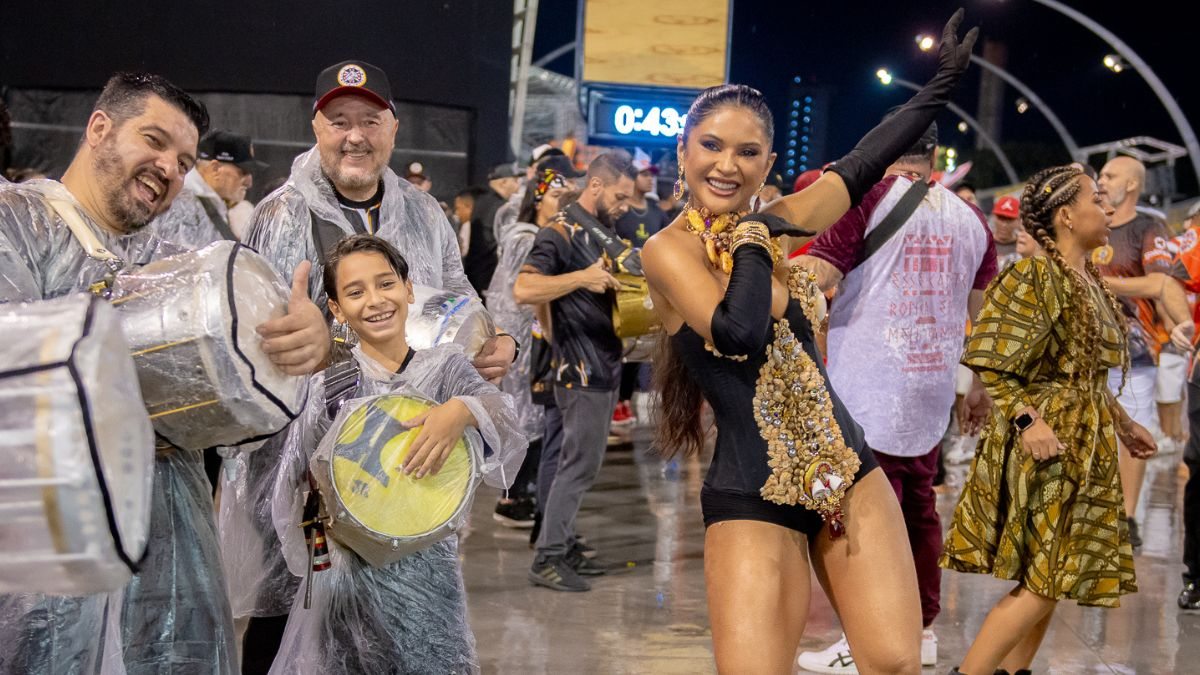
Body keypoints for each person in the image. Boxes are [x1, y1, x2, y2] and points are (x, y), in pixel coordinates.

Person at [639, 11, 977, 672]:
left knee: (893, 660)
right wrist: (757, 238)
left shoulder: (776, 219)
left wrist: (940, 86)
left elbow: (862, 163)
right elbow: (736, 332)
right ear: (683, 153)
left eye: (746, 152)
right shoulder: (667, 250)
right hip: (751, 490)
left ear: (769, 161)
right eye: (710, 145)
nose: (726, 164)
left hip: (847, 468)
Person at [0, 71, 329, 675]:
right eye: (153, 141)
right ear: (99, 128)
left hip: (166, 563)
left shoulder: (169, 262)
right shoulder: (18, 222)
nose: (169, 168)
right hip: (44, 569)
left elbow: (227, 418)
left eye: (183, 161)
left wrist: (294, 352)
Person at [233, 58, 516, 674]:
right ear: (315, 126)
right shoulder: (281, 216)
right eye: (339, 121)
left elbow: (460, 302)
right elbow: (252, 346)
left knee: (405, 628)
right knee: (292, 616)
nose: (354, 135)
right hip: (304, 469)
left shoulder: (425, 214)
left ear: (394, 126)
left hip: (409, 463)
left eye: (369, 120)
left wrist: (499, 342)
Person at [793, 118, 997, 673]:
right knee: (918, 512)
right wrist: (976, 385)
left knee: (856, 521)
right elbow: (986, 316)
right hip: (928, 394)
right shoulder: (971, 217)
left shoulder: (868, 198)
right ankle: (920, 630)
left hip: (865, 391)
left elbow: (816, 272)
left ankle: (863, 640)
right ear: (932, 156)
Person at [269, 234, 525, 674]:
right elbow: (295, 479)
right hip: (348, 577)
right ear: (335, 309)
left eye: (385, 284)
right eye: (355, 291)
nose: (374, 300)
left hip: (430, 571)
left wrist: (465, 408)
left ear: (409, 289)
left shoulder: (445, 368)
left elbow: (507, 420)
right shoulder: (331, 383)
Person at [940, 164, 1158, 675]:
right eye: (1094, 201)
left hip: (1084, 439)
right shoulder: (1033, 275)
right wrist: (1025, 422)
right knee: (1046, 577)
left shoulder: (1089, 281)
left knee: (1054, 577)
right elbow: (991, 357)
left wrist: (1123, 425)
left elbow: (1082, 371)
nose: (1105, 210)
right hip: (1048, 443)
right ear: (1066, 215)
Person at [514, 150, 636, 591]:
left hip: (602, 365)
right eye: (621, 196)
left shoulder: (602, 232)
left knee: (580, 464)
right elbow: (524, 288)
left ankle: (561, 546)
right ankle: (547, 558)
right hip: (579, 371)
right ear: (597, 186)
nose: (626, 205)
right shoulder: (559, 232)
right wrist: (581, 280)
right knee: (576, 466)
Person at [1095, 155, 1184, 547]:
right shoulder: (1087, 221)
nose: (1101, 180)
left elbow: (1159, 283)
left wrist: (1102, 286)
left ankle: (1127, 516)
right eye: (1100, 174)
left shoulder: (1149, 227)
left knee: (1132, 431)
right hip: (1083, 348)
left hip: (1134, 349)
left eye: (1110, 175)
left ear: (1131, 185)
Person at [487, 156, 580, 528]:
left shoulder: (532, 234)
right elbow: (525, 294)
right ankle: (513, 497)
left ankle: (520, 494)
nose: (564, 204)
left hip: (527, 338)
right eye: (558, 195)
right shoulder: (526, 237)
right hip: (524, 341)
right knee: (527, 420)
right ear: (540, 197)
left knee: (533, 419)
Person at [152, 129, 266, 248]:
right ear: (215, 169)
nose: (249, 182)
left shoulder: (205, 203)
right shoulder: (181, 204)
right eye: (243, 172)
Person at [463, 163, 521, 294]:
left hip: (476, 275)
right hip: (487, 279)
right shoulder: (501, 207)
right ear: (504, 182)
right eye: (515, 181)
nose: (518, 186)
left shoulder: (482, 200)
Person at [991, 195, 1023, 270]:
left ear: (1018, 221)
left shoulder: (1024, 245)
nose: (1004, 224)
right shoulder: (984, 244)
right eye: (1001, 218)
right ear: (994, 217)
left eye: (1009, 219)